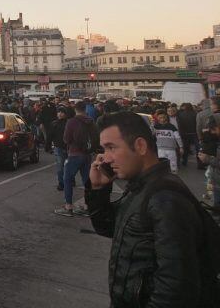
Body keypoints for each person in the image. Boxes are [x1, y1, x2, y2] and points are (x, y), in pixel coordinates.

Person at [88, 111, 216, 307]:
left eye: (111, 147)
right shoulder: (141, 187)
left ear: (140, 146)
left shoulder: (165, 199)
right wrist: (98, 190)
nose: (106, 158)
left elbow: (175, 290)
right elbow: (110, 228)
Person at [54, 103, 93, 217]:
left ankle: (68, 207)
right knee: (87, 181)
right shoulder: (91, 121)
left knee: (67, 179)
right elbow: (96, 136)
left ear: (75, 110)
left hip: (74, 154)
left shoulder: (72, 122)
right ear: (85, 109)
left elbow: (66, 139)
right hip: (87, 155)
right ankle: (87, 206)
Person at [153, 109, 182, 173]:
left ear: (166, 117)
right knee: (165, 166)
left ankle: (173, 178)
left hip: (171, 149)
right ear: (157, 118)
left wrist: (181, 147)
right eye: (160, 118)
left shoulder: (171, 127)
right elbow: (151, 134)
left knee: (172, 166)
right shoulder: (155, 127)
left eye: (163, 117)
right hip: (160, 149)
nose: (162, 119)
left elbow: (178, 137)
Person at [50, 106, 70, 191]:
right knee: (60, 167)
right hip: (58, 147)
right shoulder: (54, 123)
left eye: (62, 112)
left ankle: (70, 181)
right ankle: (61, 183)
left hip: (69, 147)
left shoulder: (69, 123)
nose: (60, 114)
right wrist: (48, 146)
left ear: (65, 114)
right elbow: (50, 135)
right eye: (59, 112)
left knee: (69, 166)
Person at [177, 102, 199, 167]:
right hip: (194, 133)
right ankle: (199, 163)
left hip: (184, 134)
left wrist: (181, 133)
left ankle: (184, 161)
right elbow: (197, 124)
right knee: (197, 149)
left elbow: (179, 125)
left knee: (185, 148)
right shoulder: (195, 114)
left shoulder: (181, 114)